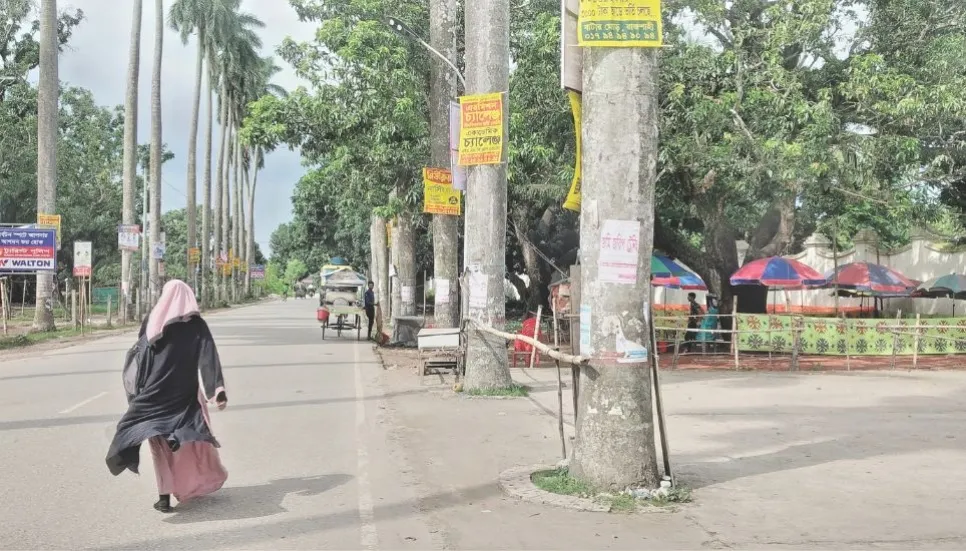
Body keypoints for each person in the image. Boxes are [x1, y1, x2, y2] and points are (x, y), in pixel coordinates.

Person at [106, 279, 228, 513]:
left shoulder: (154, 321)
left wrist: (137, 394)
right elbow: (208, 357)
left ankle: (163, 497)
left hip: (153, 397)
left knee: (156, 446)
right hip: (184, 398)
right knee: (189, 443)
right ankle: (179, 446)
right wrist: (217, 391)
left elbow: (139, 358)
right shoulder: (197, 326)